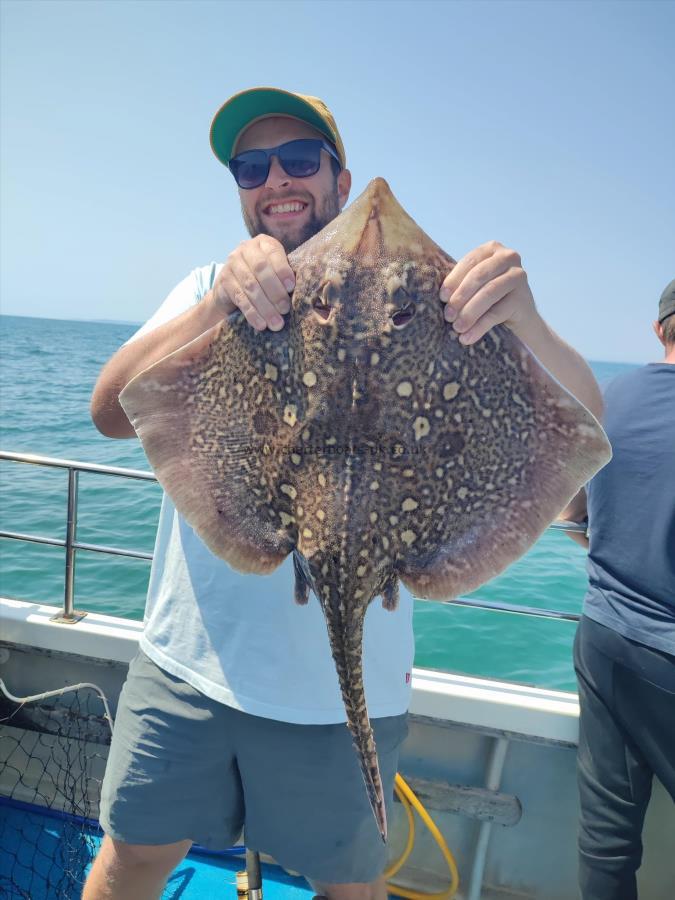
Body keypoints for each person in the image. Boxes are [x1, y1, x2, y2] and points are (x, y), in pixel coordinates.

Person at [85, 86, 604, 900]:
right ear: (240, 187)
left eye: (298, 159)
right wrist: (223, 297)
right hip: (186, 665)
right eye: (252, 166)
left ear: (337, 174)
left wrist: (525, 321)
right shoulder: (208, 288)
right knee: (135, 857)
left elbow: (581, 428)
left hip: (329, 709)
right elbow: (109, 411)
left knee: (347, 887)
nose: (275, 178)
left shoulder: (451, 310)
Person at [559, 279, 675, 900]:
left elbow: (572, 515)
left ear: (661, 330)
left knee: (606, 839)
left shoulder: (609, 400)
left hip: (603, 639)